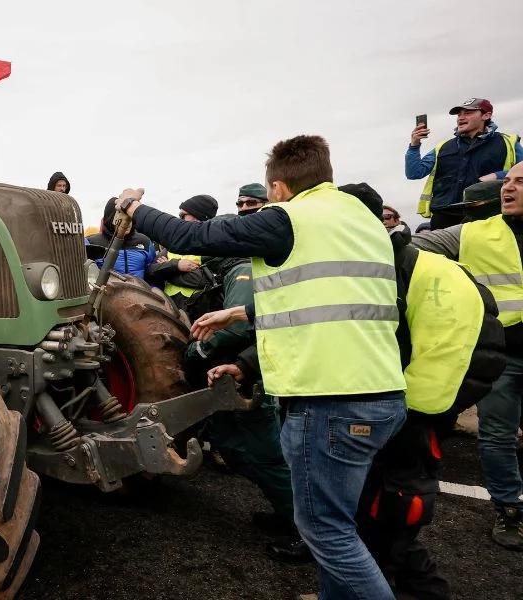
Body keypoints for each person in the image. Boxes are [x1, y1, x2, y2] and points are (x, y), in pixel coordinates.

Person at [120, 135, 407, 598]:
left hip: (328, 401)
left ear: (277, 187)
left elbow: (192, 236)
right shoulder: (361, 221)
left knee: (327, 533)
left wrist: (133, 208)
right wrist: (239, 317)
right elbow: (326, 299)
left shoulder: (289, 219)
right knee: (336, 526)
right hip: (381, 394)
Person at [342, 182, 506, 597]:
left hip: (408, 416)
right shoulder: (368, 268)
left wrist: (406, 415)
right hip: (382, 411)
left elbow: (471, 353)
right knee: (367, 513)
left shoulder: (428, 271)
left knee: (395, 512)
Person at [411, 162, 523, 550]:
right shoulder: (475, 233)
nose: (509, 188)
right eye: (507, 181)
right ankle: (509, 510)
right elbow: (410, 245)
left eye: (520, 182)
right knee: (497, 435)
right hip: (504, 357)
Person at [177, 236, 303, 564]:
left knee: (268, 456)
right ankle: (287, 514)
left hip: (244, 379)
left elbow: (240, 329)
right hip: (230, 378)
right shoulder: (235, 271)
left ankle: (304, 530)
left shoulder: (242, 271)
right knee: (230, 445)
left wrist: (196, 351)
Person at [406, 98, 521, 229]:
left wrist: (497, 175)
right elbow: (413, 173)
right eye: (459, 114)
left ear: (486, 115)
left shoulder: (508, 142)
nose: (461, 117)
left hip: (488, 213)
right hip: (444, 216)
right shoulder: (443, 147)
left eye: (468, 113)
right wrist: (414, 145)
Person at [146, 195, 217, 310]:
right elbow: (151, 271)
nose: (180, 219)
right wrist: (176, 265)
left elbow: (203, 281)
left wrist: (167, 270)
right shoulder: (173, 245)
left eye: (183, 215)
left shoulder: (212, 246)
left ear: (198, 216)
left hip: (198, 310)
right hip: (169, 307)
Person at [86, 197, 158, 281]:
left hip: (138, 291)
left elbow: (152, 271)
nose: (127, 222)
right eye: (122, 217)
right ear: (111, 218)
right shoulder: (90, 242)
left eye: (130, 218)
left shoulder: (144, 241)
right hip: (106, 292)